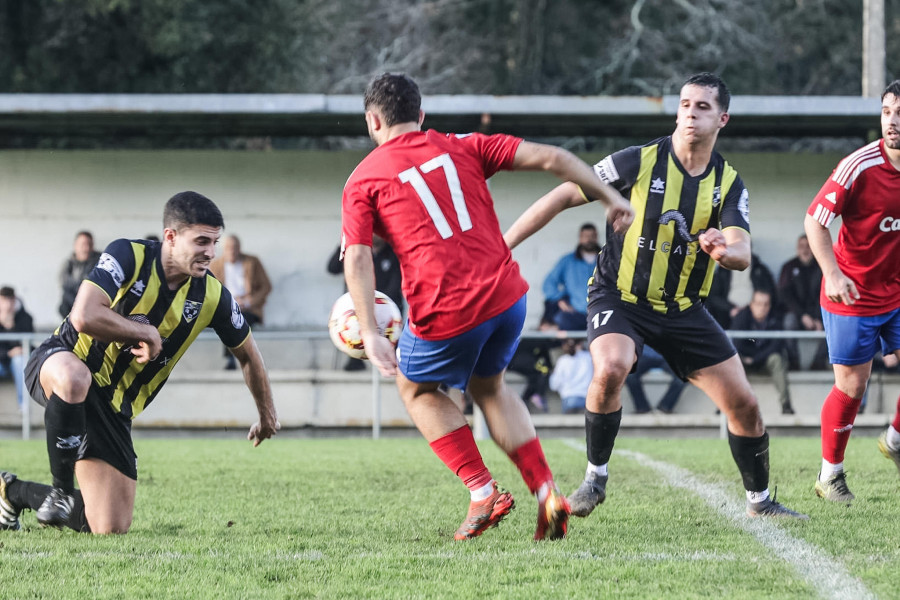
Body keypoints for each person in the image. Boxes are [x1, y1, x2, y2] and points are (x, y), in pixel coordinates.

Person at [340, 73, 633, 541]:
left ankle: (482, 491)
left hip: (446, 308)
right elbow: (554, 158)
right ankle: (546, 495)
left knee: (414, 391)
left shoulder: (363, 179)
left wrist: (372, 334)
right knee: (490, 389)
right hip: (506, 297)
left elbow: (355, 255)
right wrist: (612, 197)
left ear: (373, 121)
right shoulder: (463, 145)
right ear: (420, 115)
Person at [504, 72, 807, 520]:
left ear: (722, 118)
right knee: (611, 367)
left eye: (702, 107)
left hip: (684, 309)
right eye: (685, 104)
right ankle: (594, 478)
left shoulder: (727, 183)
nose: (690, 114)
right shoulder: (639, 161)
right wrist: (502, 246)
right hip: (619, 296)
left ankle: (760, 502)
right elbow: (565, 193)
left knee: (744, 405)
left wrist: (725, 250)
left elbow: (742, 249)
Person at [0, 192, 279, 534]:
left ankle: (11, 492)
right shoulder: (127, 255)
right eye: (202, 241)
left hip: (115, 408)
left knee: (107, 526)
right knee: (75, 377)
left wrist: (267, 415)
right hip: (61, 361)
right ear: (171, 237)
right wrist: (144, 332)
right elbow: (84, 314)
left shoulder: (213, 296)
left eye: (215, 242)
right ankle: (59, 491)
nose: (211, 252)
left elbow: (248, 354)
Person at [806, 80, 900, 503]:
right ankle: (830, 476)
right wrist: (832, 273)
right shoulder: (858, 166)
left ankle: (895, 440)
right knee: (852, 386)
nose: (893, 122)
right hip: (851, 294)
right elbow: (815, 220)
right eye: (886, 112)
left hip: (896, 292)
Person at [327, 234, 403, 371]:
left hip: (386, 310)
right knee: (354, 332)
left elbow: (396, 284)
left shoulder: (393, 252)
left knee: (393, 347)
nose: (375, 234)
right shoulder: (354, 251)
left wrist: (376, 304)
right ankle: (355, 363)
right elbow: (332, 268)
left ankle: (394, 367)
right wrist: (344, 244)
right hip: (357, 310)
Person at [209, 235, 273, 370]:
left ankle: (236, 358)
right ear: (223, 249)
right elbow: (210, 291)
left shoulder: (252, 262)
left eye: (235, 248)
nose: (232, 251)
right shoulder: (215, 265)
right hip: (226, 307)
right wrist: (229, 302)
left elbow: (266, 286)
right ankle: (233, 357)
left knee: (239, 320)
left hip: (249, 309)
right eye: (228, 248)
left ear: (240, 248)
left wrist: (249, 301)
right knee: (227, 320)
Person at [732, 290, 794, 415]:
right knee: (731, 362)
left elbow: (776, 346)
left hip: (763, 361)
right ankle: (725, 404)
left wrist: (755, 358)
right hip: (744, 361)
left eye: (766, 304)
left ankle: (786, 404)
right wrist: (748, 357)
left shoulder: (775, 318)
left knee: (777, 358)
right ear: (751, 304)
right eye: (759, 303)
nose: (763, 308)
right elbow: (737, 344)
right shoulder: (741, 317)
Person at [778, 234, 827, 370]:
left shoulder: (822, 267)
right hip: (797, 314)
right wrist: (802, 316)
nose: (805, 250)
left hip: (818, 314)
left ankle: (818, 362)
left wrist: (817, 317)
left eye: (808, 246)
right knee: (789, 321)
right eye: (802, 246)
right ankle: (794, 362)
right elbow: (785, 295)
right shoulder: (788, 267)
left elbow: (825, 294)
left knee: (832, 322)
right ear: (797, 249)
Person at [542, 223, 599, 330]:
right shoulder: (568, 261)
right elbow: (548, 283)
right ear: (580, 238)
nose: (589, 239)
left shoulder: (605, 260)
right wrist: (559, 299)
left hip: (599, 313)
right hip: (574, 314)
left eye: (592, 236)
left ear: (596, 237)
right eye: (585, 236)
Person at [704, 253, 777, 329]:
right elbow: (714, 295)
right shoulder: (723, 270)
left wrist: (751, 307)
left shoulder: (759, 269)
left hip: (753, 311)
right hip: (726, 312)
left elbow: (768, 292)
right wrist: (731, 308)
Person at [623, 345, 686, 414]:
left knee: (684, 376)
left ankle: (665, 407)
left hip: (668, 357)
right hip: (644, 356)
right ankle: (642, 408)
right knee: (630, 375)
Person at [0, 286, 33, 412]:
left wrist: (10, 326)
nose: (7, 305)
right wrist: (8, 353)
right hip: (2, 362)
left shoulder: (25, 318)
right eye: (3, 301)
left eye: (9, 301)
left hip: (17, 363)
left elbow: (25, 346)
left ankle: (23, 405)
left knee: (20, 360)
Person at [58, 230, 102, 318]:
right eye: (83, 244)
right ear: (75, 246)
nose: (86, 248)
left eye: (89, 244)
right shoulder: (68, 264)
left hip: (94, 304)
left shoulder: (100, 262)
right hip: (73, 305)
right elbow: (64, 284)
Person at [548, 338, 592, 413]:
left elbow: (554, 385)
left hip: (569, 399)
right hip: (588, 399)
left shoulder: (563, 360)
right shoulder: (589, 358)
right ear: (580, 344)